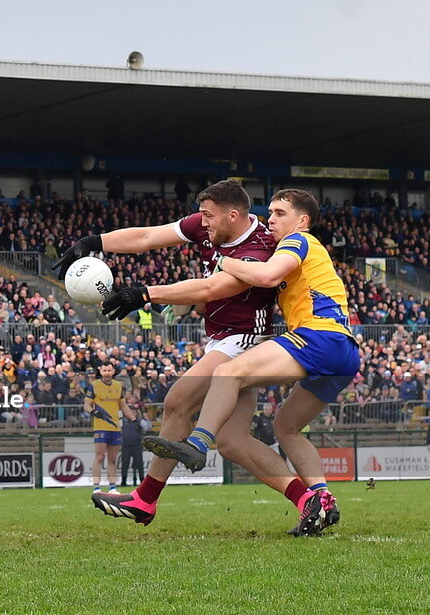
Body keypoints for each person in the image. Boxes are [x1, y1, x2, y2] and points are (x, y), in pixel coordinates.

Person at [58, 180, 313, 531]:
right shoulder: (209, 225)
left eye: (208, 216)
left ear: (233, 215)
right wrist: (94, 243)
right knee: (233, 442)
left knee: (178, 401)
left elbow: (212, 288)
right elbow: (147, 238)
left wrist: (144, 294)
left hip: (245, 340)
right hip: (223, 340)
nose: (202, 223)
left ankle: (145, 499)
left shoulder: (260, 248)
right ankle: (308, 498)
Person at [141, 188, 360, 536]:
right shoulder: (299, 248)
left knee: (228, 371)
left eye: (279, 213)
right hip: (344, 351)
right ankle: (321, 500)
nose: (270, 219)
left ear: (301, 221)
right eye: (269, 213)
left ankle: (197, 444)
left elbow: (267, 276)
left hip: (320, 337)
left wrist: (220, 258)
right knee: (286, 427)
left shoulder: (297, 240)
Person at [84, 363, 133, 493]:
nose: (106, 372)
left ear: (113, 372)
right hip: (100, 427)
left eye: (109, 370)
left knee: (112, 458)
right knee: (99, 457)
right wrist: (94, 412)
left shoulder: (118, 386)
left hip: (115, 427)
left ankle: (112, 486)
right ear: (101, 371)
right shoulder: (94, 385)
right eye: (104, 370)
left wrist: (134, 420)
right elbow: (87, 405)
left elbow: (124, 406)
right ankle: (96, 486)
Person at [120, 390, 148, 487]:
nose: (132, 413)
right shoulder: (123, 421)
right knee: (125, 465)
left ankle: (142, 481)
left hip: (136, 445)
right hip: (126, 446)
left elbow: (147, 427)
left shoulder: (139, 421)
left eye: (134, 412)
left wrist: (146, 419)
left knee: (139, 465)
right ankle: (123, 481)